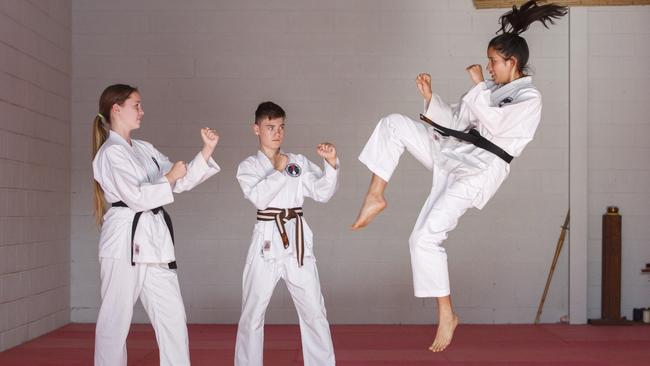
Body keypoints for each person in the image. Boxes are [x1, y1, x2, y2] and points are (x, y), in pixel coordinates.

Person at [350, 0, 568, 353]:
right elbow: (459, 122)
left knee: (423, 238)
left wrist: (480, 85)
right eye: (489, 62)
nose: (489, 67)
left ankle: (446, 313)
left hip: (480, 170)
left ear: (512, 62)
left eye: (493, 61)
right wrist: (431, 98)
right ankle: (376, 194)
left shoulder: (530, 97)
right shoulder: (491, 90)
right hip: (454, 153)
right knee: (393, 124)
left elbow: (495, 125)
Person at [91, 84, 221, 366]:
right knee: (115, 322)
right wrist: (169, 178)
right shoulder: (110, 153)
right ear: (116, 109)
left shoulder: (143, 148)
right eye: (136, 105)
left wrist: (206, 152)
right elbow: (137, 197)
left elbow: (181, 180)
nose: (142, 111)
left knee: (173, 318)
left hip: (154, 244)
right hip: (124, 242)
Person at [234, 101, 339, 366]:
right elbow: (259, 198)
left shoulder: (299, 162)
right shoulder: (248, 166)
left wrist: (331, 164)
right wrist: (279, 170)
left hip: (298, 242)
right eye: (270, 127)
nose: (277, 132)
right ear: (256, 129)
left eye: (281, 127)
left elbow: (322, 193)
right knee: (252, 313)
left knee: (315, 311)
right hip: (266, 240)